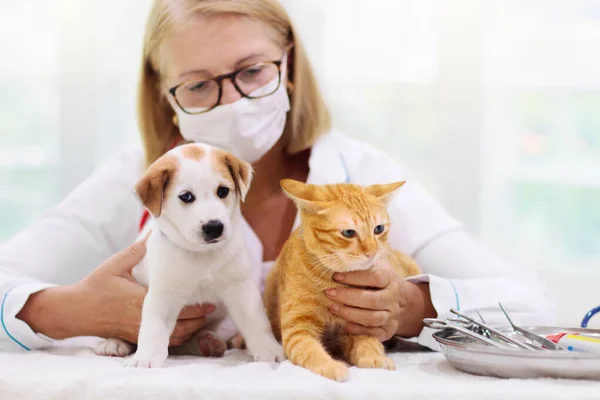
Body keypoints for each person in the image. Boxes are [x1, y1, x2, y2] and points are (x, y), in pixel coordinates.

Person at [0, 0, 555, 353]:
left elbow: (534, 305)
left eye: (251, 71)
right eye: (198, 84)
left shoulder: (362, 179)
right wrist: (60, 312)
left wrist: (414, 307)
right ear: (165, 98)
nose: (234, 102)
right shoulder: (139, 180)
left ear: (288, 66)